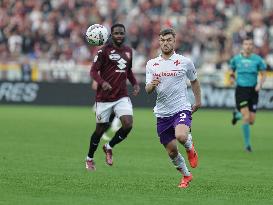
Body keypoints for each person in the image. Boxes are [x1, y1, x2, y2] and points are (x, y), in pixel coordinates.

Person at [145, 28, 201, 188]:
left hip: (181, 108)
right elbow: (148, 90)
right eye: (162, 40)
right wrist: (151, 85)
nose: (165, 43)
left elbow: (195, 81)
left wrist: (198, 102)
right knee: (172, 152)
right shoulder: (152, 64)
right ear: (159, 41)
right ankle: (186, 175)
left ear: (174, 41)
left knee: (181, 136)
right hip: (162, 113)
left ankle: (190, 147)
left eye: (169, 40)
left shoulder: (184, 62)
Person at [85, 23, 140, 171]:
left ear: (125, 34)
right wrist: (102, 83)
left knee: (128, 124)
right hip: (104, 97)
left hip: (121, 95)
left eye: (121, 33)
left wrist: (135, 84)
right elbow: (93, 72)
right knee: (100, 130)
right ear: (111, 35)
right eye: (116, 33)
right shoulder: (103, 51)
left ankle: (109, 146)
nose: (119, 36)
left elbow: (128, 71)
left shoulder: (128, 51)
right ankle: (89, 158)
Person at [229, 37, 267, 152]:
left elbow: (264, 74)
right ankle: (247, 146)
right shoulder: (236, 59)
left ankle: (236, 115)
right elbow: (231, 71)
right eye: (246, 44)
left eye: (250, 44)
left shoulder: (258, 60)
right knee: (246, 117)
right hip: (241, 90)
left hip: (253, 91)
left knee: (251, 120)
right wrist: (231, 79)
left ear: (253, 46)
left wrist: (260, 85)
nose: (248, 46)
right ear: (243, 46)